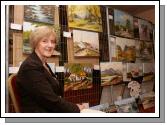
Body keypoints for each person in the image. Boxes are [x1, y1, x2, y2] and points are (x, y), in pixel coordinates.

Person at [16, 26, 85, 113]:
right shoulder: (31, 67)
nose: (50, 45)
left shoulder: (42, 64)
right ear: (35, 43)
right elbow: (49, 100)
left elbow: (51, 97)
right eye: (44, 41)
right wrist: (75, 108)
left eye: (52, 42)